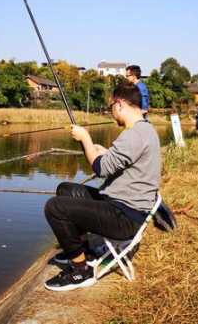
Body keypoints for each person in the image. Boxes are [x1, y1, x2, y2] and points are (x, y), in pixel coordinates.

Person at [43, 83, 161, 292]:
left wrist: (86, 139)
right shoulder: (145, 130)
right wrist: (103, 150)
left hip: (124, 217)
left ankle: (81, 270)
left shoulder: (134, 134)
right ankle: (83, 251)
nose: (111, 112)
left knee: (55, 207)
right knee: (66, 190)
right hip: (124, 207)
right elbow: (124, 162)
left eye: (110, 107)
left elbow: (100, 169)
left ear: (119, 104)